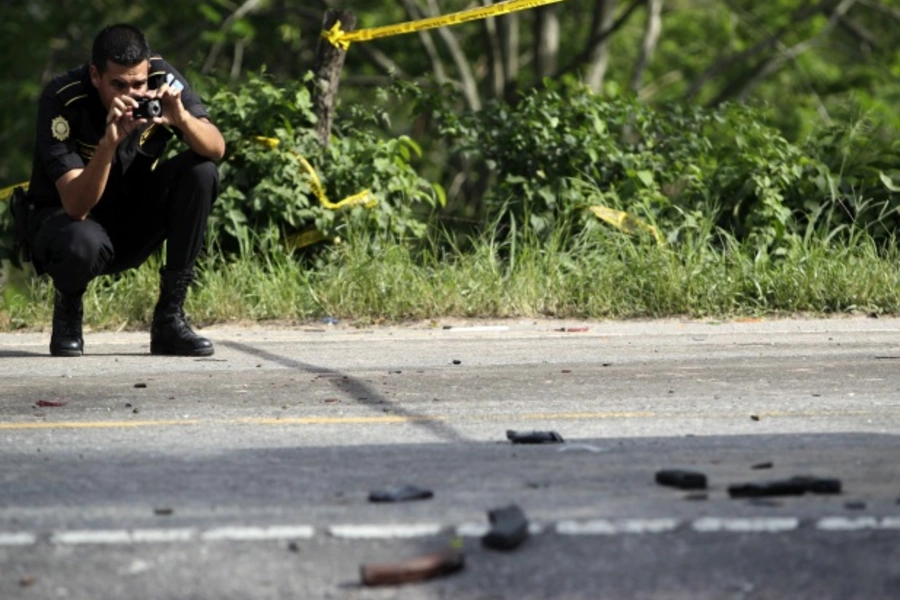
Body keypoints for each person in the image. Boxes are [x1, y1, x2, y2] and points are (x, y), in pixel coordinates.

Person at [23, 23, 225, 357]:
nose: (131, 94)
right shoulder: (62, 99)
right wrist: (108, 144)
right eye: (118, 85)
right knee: (81, 240)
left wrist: (182, 120)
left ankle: (169, 320)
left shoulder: (161, 78)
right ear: (95, 75)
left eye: (138, 84)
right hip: (72, 227)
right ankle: (69, 312)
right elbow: (75, 206)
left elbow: (217, 148)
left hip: (131, 216)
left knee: (202, 171)